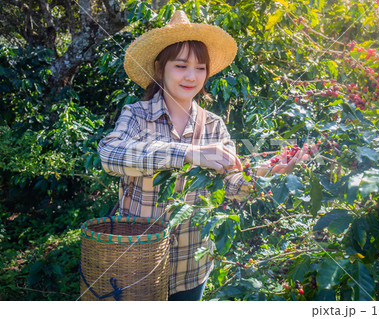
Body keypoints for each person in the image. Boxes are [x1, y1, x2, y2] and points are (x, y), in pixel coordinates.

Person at [97, 10, 309, 301]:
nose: (191, 76)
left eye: (200, 68)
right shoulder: (137, 115)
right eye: (181, 65)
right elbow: (110, 155)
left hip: (190, 267)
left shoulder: (214, 125)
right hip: (138, 263)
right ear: (160, 68)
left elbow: (231, 186)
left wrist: (265, 173)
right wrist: (188, 153)